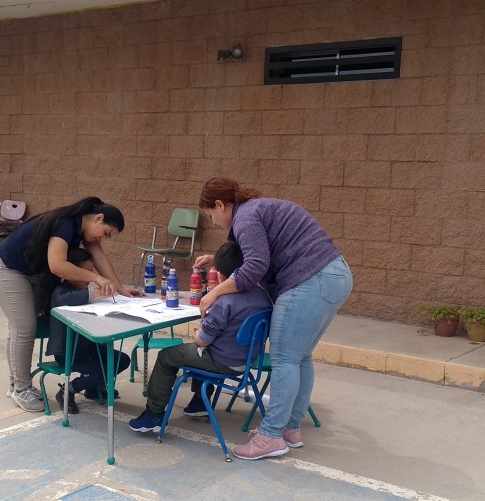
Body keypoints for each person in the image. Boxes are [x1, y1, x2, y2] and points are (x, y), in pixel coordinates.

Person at [195, 177, 352, 460]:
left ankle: (271, 436)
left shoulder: (245, 218)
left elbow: (255, 265)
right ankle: (290, 429)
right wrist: (216, 260)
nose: (215, 223)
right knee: (300, 356)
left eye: (210, 216)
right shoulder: (257, 209)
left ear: (220, 205)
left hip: (310, 279)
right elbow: (259, 256)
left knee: (286, 359)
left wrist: (216, 291)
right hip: (335, 276)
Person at [0, 196, 142, 412]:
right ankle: (21, 388)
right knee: (24, 328)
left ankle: (16, 383)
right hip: (9, 269)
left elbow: (100, 259)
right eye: (106, 233)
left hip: (32, 272)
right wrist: (95, 279)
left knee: (20, 327)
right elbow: (57, 266)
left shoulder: (83, 229)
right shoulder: (66, 223)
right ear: (98, 218)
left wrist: (121, 290)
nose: (103, 239)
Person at [128, 241, 272, 433]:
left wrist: (198, 336)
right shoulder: (263, 296)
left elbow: (202, 341)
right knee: (197, 351)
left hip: (223, 362)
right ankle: (199, 403)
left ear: (219, 275)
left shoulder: (224, 302)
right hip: (247, 361)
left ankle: (153, 414)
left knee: (168, 356)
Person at [45, 247, 130, 414]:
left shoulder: (80, 291)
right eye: (85, 273)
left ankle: (92, 387)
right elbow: (74, 299)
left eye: (91, 272)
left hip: (89, 347)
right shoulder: (61, 292)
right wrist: (101, 291)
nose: (88, 278)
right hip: (68, 352)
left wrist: (121, 296)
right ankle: (68, 390)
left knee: (122, 360)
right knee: (100, 372)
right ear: (70, 272)